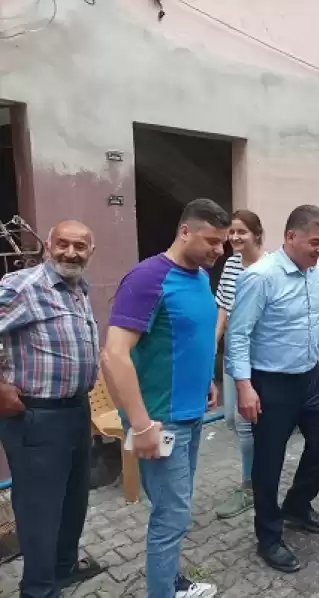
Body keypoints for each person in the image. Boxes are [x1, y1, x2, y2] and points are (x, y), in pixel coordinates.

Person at [102, 199, 230, 598]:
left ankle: (171, 580)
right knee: (171, 516)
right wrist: (139, 424)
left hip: (191, 414)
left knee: (177, 507)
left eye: (223, 243)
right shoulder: (147, 278)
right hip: (160, 419)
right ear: (185, 231)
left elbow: (193, 337)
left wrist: (208, 379)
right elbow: (114, 354)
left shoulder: (197, 277)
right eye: (212, 241)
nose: (220, 251)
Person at [226, 204, 319, 574]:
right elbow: (238, 335)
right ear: (291, 237)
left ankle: (297, 505)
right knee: (269, 462)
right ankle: (269, 537)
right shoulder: (260, 277)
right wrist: (244, 386)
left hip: (311, 377)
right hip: (271, 383)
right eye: (314, 242)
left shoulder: (318, 269)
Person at [0, 220, 104, 598]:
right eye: (63, 244)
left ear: (91, 252)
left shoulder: (78, 289)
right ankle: (39, 590)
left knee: (74, 502)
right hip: (36, 417)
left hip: (76, 411)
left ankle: (62, 569)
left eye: (80, 246)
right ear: (48, 244)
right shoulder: (22, 287)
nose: (71, 252)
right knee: (41, 512)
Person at [213, 210, 268, 520]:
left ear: (257, 234)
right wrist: (212, 345)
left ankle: (250, 486)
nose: (234, 238)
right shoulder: (232, 264)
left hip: (255, 357)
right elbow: (223, 306)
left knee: (244, 422)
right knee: (232, 421)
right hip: (232, 355)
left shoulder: (269, 267)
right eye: (231, 232)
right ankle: (258, 472)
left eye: (241, 232)